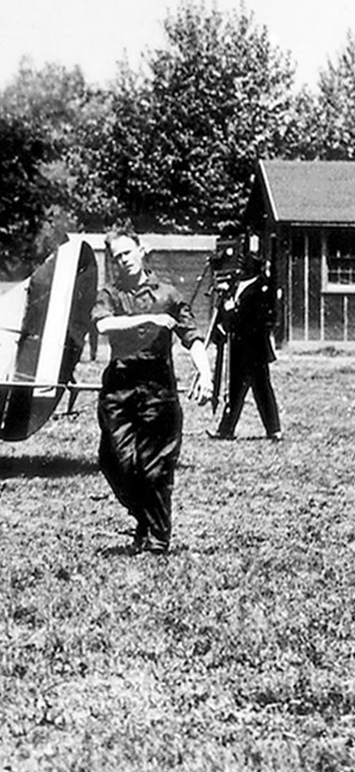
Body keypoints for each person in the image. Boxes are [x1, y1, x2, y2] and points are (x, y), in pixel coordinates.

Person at [93, 227, 212, 556]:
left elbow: (192, 336)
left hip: (157, 389)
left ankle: (156, 541)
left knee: (154, 467)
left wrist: (205, 372)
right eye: (117, 257)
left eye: (127, 253)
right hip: (118, 388)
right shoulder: (111, 294)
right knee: (114, 461)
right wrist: (151, 319)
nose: (123, 261)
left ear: (141, 251)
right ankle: (145, 518)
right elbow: (103, 324)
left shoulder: (169, 294)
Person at [208, 250, 282, 441]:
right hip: (238, 347)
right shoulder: (235, 285)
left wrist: (234, 311)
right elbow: (225, 309)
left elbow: (259, 317)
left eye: (245, 263)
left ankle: (274, 429)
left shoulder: (262, 287)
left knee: (262, 389)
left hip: (255, 347)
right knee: (234, 390)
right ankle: (226, 430)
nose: (241, 266)